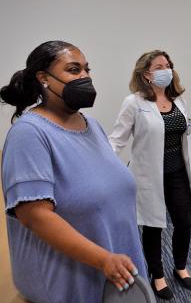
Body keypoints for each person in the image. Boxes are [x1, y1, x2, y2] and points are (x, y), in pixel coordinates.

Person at [0, 41, 145, 303]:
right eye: (74, 70)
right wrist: (103, 259)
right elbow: (35, 216)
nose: (85, 77)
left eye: (87, 70)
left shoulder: (93, 126)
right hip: (74, 282)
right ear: (43, 78)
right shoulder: (29, 134)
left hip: (116, 270)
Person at [109, 50, 191, 300]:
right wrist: (103, 167)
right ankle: (157, 276)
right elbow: (117, 140)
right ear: (146, 74)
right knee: (154, 225)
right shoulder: (134, 103)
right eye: (159, 66)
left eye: (168, 65)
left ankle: (180, 267)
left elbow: (189, 134)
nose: (166, 70)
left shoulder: (177, 100)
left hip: (177, 172)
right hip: (147, 176)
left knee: (184, 222)